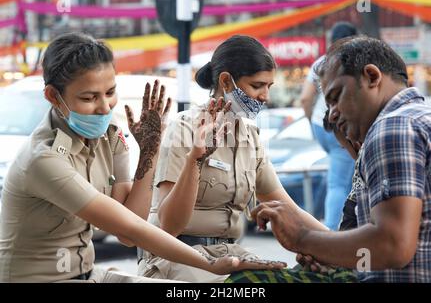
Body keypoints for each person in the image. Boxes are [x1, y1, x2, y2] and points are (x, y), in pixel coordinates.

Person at [0, 32, 285, 283]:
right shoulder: (44, 159)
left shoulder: (108, 138)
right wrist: (207, 263)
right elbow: (131, 229)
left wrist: (149, 150)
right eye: (88, 98)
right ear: (53, 96)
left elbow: (130, 225)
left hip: (88, 274)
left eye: (110, 93)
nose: (103, 107)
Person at [137, 35, 328, 282]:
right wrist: (196, 158)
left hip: (230, 255)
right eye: (257, 85)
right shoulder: (185, 128)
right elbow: (169, 226)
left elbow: (288, 208)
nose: (265, 96)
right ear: (226, 81)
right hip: (176, 259)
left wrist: (336, 245)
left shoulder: (250, 138)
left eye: (269, 87)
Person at [251, 36, 431, 282]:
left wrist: (302, 238)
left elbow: (392, 244)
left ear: (372, 76)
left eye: (336, 96)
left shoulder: (393, 127)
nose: (333, 113)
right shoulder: (418, 118)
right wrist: (328, 251)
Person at [300, 22, 357, 230]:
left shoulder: (320, 62)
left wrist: (312, 125)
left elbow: (306, 99)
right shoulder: (353, 63)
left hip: (319, 125)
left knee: (341, 179)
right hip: (340, 128)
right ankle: (332, 233)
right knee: (340, 184)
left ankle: (345, 228)